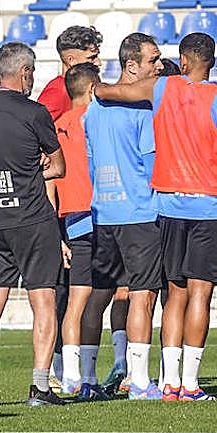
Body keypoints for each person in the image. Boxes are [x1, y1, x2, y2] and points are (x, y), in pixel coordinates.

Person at [94, 32, 217, 401]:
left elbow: (112, 92)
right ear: (212, 62)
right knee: (201, 295)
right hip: (210, 206)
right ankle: (191, 384)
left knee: (174, 294)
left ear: (183, 59)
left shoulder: (162, 87)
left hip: (169, 205)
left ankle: (169, 383)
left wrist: (95, 86)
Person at [0, 42, 67, 407]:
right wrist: (33, 170)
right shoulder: (34, 112)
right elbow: (59, 166)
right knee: (43, 298)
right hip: (32, 218)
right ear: (25, 72)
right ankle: (40, 387)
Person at [84, 32, 163, 400]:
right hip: (139, 212)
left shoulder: (93, 109)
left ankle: (85, 380)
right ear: (132, 66)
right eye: (153, 60)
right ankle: (140, 381)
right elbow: (153, 166)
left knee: (97, 296)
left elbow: (90, 162)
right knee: (142, 296)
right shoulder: (142, 109)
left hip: (103, 211)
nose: (159, 66)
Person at [52, 63, 109, 401]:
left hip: (70, 217)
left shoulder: (55, 126)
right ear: (91, 89)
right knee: (110, 295)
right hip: (101, 213)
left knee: (76, 300)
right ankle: (88, 375)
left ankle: (72, 377)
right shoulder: (96, 119)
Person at [38, 26, 103, 120]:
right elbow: (37, 126)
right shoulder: (57, 92)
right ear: (70, 60)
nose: (98, 62)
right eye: (91, 58)